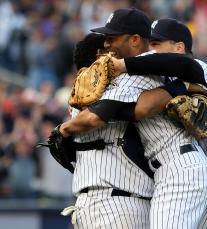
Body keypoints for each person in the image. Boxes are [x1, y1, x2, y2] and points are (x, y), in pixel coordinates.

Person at [60, 8, 207, 229]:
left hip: (177, 172)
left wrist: (64, 130)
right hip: (193, 167)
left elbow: (108, 114)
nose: (108, 46)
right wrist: (179, 86)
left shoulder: (137, 68)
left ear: (135, 40)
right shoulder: (152, 66)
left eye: (112, 38)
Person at [111, 18, 207, 229]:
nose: (150, 50)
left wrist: (122, 65)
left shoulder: (200, 69)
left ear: (179, 47)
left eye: (156, 44)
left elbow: (162, 63)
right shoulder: (174, 82)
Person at [60, 25, 154, 228]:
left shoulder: (76, 105)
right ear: (100, 56)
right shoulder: (121, 89)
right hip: (121, 206)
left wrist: (63, 129)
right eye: (109, 50)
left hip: (87, 205)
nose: (115, 56)